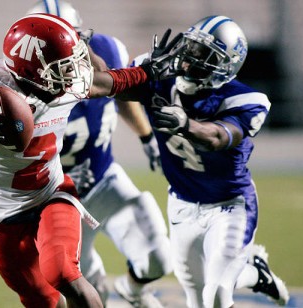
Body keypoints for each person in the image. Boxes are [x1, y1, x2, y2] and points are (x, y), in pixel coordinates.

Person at [0, 12, 176, 308]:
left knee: (63, 273)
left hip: (52, 192)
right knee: (41, 299)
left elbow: (110, 82)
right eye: (63, 67)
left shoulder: (64, 80)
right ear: (33, 70)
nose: (73, 74)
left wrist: (148, 72)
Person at [118, 15, 290, 307]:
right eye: (192, 47)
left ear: (226, 64)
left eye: (203, 54)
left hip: (229, 206)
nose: (188, 60)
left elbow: (218, 138)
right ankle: (254, 271)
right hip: (182, 203)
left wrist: (186, 124)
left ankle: (253, 273)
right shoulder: (163, 76)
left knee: (217, 295)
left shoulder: (245, 99)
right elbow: (113, 85)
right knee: (197, 299)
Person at [27, 1, 171, 307]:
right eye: (53, 47)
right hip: (54, 199)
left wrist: (146, 135)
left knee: (157, 257)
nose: (68, 54)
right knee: (87, 293)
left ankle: (134, 290)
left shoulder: (107, 49)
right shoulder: (19, 85)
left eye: (73, 40)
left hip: (102, 177)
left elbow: (117, 91)